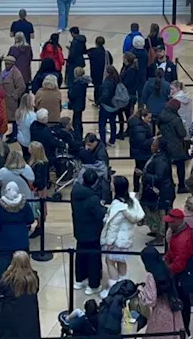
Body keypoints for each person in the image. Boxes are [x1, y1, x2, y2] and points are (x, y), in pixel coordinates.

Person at [99, 175, 144, 296]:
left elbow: (113, 227)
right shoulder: (131, 201)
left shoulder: (118, 206)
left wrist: (109, 242)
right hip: (126, 239)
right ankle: (124, 285)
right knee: (122, 261)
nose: (110, 185)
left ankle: (113, 289)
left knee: (110, 261)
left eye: (112, 183)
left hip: (116, 241)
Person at [164, 209, 193, 334]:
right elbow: (173, 252)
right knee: (184, 301)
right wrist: (166, 257)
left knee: (183, 302)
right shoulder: (180, 231)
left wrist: (166, 269)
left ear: (178, 221)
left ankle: (184, 330)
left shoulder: (182, 239)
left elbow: (179, 264)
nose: (169, 224)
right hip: (181, 273)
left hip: (182, 276)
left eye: (171, 222)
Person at [71, 168, 107, 296]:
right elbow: (99, 215)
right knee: (93, 259)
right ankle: (93, 285)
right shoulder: (92, 198)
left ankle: (80, 279)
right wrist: (103, 207)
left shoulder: (75, 192)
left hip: (79, 230)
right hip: (92, 233)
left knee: (80, 255)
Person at [0, 251, 41, 339]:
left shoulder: (7, 279)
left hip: (11, 318)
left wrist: (8, 271)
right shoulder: (34, 278)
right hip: (29, 316)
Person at [136, 246, 185, 339]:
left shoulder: (151, 275)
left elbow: (151, 300)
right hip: (173, 308)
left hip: (161, 311)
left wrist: (142, 293)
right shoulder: (167, 268)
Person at [0, 183, 36, 278]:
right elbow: (31, 219)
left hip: (5, 240)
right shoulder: (24, 204)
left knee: (2, 268)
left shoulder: (0, 205)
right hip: (22, 239)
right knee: (23, 266)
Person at [142, 136, 176, 245]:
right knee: (154, 213)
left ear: (159, 148)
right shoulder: (159, 157)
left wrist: (144, 175)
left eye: (153, 144)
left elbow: (158, 177)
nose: (151, 146)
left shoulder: (161, 160)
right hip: (159, 191)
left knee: (161, 215)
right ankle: (157, 232)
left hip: (162, 193)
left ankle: (160, 237)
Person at [160, 98, 190, 192]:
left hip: (165, 143)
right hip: (176, 145)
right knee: (180, 166)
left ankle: (170, 184)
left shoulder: (161, 115)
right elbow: (182, 133)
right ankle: (181, 186)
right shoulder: (176, 119)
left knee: (167, 166)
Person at [119, 52, 144, 138]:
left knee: (129, 114)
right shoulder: (126, 67)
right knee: (125, 113)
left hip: (129, 95)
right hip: (126, 94)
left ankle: (130, 130)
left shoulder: (132, 70)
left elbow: (127, 82)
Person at [128, 106, 154, 190]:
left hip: (138, 152)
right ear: (143, 117)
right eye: (148, 118)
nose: (150, 120)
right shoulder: (139, 128)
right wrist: (153, 140)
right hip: (142, 152)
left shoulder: (137, 124)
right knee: (141, 170)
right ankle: (139, 187)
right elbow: (142, 142)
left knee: (138, 169)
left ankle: (137, 187)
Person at [96, 64, 121, 145]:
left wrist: (98, 101)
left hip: (106, 106)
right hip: (115, 105)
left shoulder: (107, 82)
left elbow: (105, 95)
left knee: (102, 125)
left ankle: (103, 142)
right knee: (112, 123)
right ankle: (112, 140)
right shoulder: (117, 80)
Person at [0, 54, 28, 124]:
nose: (7, 66)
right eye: (6, 64)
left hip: (11, 100)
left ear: (12, 64)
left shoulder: (16, 73)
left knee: (13, 117)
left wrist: (14, 95)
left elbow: (21, 86)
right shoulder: (3, 73)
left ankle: (14, 132)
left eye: (8, 64)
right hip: (3, 99)